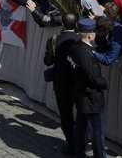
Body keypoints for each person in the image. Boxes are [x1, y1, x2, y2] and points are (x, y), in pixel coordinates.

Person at [66, 18, 109, 158]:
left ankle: (78, 154)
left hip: (81, 95)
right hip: (91, 99)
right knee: (97, 133)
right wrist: (105, 83)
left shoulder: (74, 48)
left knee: (80, 128)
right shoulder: (87, 54)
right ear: (90, 34)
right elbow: (93, 78)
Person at [43, 13, 79, 156]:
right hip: (78, 84)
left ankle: (70, 145)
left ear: (62, 24)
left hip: (61, 85)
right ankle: (80, 142)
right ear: (76, 25)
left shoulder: (54, 41)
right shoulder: (80, 40)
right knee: (82, 115)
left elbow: (47, 62)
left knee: (66, 116)